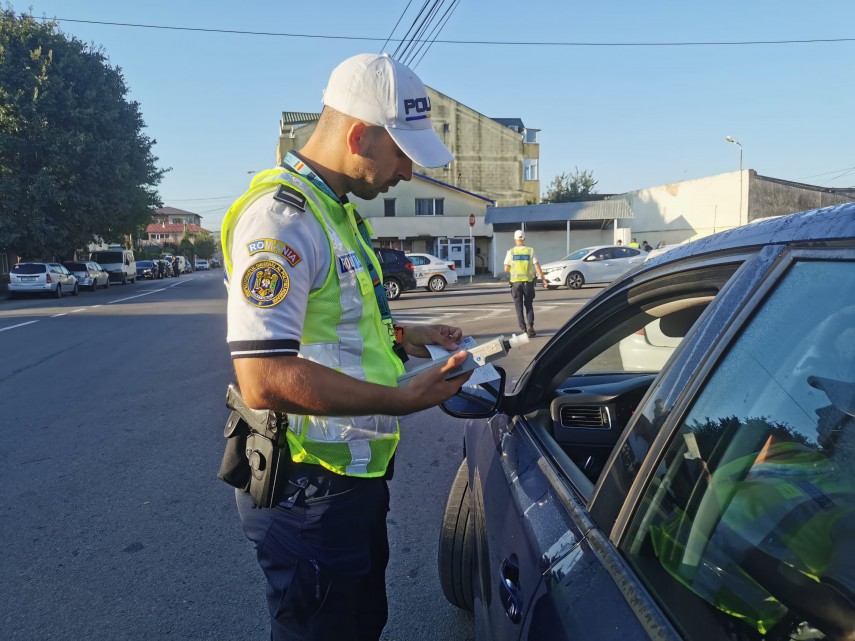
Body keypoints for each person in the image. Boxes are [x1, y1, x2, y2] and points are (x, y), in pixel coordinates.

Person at [220, 52, 473, 641]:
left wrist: (412, 338)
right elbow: (264, 376)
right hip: (306, 489)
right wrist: (402, 398)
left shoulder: (336, 213)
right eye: (402, 155)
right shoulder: (281, 221)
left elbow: (339, 329)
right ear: (359, 135)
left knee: (358, 625)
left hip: (345, 481)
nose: (407, 173)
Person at [504, 229, 547, 337]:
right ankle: (531, 327)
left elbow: (506, 268)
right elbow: (537, 265)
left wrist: (514, 271)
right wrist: (543, 279)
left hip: (516, 284)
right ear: (524, 238)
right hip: (528, 283)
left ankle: (523, 330)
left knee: (518, 306)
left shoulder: (511, 252)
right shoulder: (530, 251)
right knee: (529, 305)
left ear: (515, 239)